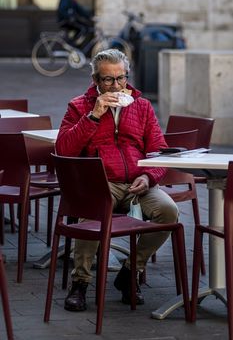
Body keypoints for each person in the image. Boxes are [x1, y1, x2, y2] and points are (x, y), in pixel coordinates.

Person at [56, 48, 179, 312]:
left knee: (169, 211)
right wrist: (93, 116)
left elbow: (158, 149)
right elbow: (64, 150)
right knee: (92, 212)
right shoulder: (79, 106)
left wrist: (148, 177)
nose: (116, 85)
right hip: (101, 183)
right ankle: (80, 283)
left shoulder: (142, 106)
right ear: (96, 81)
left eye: (121, 78)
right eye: (108, 80)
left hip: (138, 182)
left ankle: (131, 271)